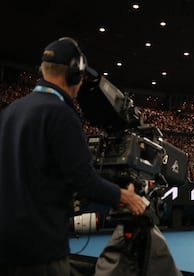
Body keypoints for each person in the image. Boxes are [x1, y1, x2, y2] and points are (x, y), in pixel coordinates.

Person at [0, 37, 149, 276]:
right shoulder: (61, 113)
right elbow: (85, 181)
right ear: (73, 74)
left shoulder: (10, 111)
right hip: (41, 250)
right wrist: (126, 197)